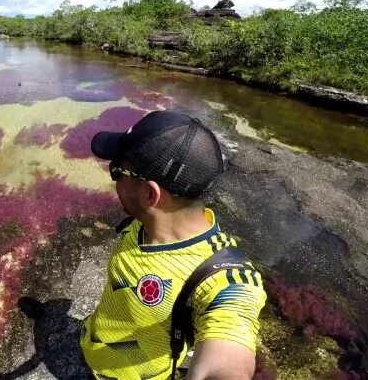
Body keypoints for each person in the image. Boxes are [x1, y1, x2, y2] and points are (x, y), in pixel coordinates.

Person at [80, 111, 267, 380]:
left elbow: (229, 340)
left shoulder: (221, 278)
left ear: (149, 194)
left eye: (116, 171)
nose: (114, 181)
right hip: (94, 348)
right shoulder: (142, 223)